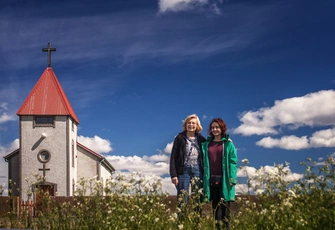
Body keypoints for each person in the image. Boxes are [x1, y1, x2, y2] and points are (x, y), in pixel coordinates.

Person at [202, 118, 238, 229]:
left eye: (217, 127)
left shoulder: (228, 144)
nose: (215, 129)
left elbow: (233, 162)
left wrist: (232, 178)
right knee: (216, 210)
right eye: (213, 127)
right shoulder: (206, 145)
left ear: (222, 128)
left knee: (225, 209)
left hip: (225, 180)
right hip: (211, 180)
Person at [169, 114, 206, 206]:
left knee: (197, 197)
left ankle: (196, 220)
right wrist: (174, 174)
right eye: (188, 123)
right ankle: (181, 220)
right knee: (182, 198)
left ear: (197, 125)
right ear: (185, 125)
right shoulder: (179, 138)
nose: (191, 125)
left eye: (193, 123)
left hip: (197, 170)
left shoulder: (202, 139)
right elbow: (173, 157)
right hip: (183, 170)